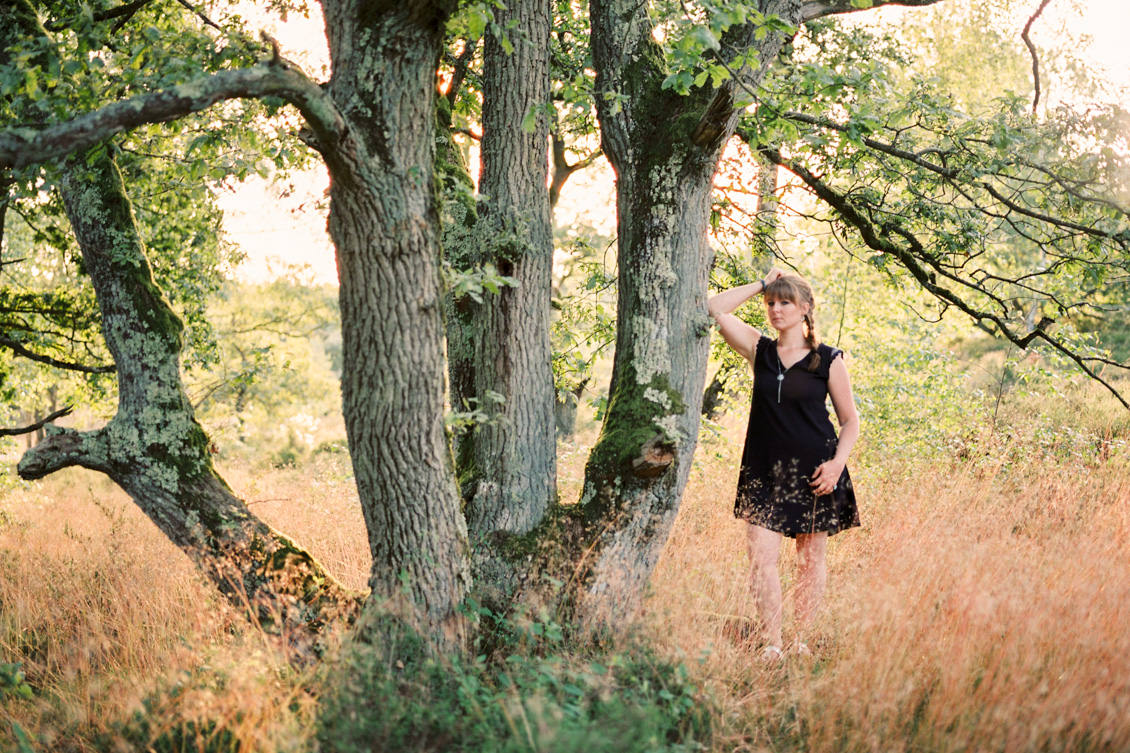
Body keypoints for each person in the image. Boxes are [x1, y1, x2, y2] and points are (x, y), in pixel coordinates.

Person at [707, 268, 860, 662]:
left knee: (811, 561)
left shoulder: (827, 359)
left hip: (816, 472)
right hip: (763, 468)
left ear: (805, 308)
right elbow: (713, 307)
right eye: (771, 303)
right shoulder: (759, 350)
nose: (775, 310)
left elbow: (849, 421)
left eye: (785, 302)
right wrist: (762, 282)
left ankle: (801, 640)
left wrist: (836, 466)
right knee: (761, 559)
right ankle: (773, 642)